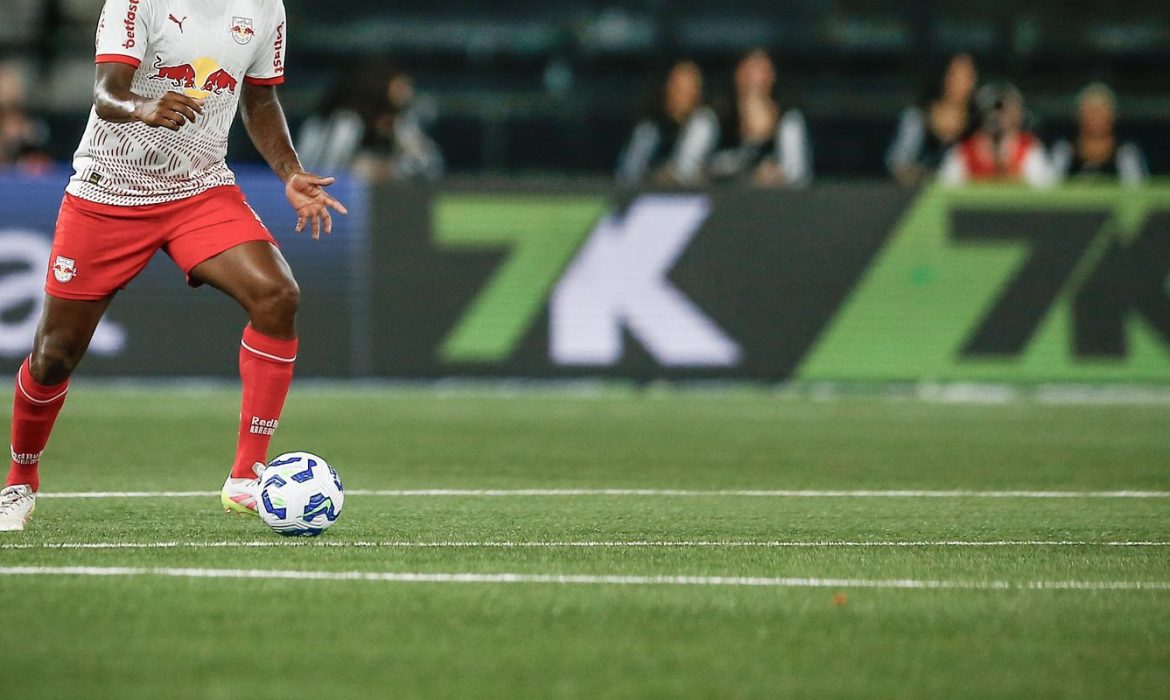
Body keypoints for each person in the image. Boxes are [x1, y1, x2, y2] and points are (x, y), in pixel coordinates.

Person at [0, 0, 347, 531]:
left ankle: (245, 476)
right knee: (54, 356)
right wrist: (143, 106)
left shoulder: (264, 8)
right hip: (108, 190)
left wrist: (290, 171)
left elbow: (260, 99)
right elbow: (106, 92)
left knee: (277, 295)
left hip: (198, 187)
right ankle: (20, 481)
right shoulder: (137, 3)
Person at [709, 49, 812, 187]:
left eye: (762, 72)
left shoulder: (788, 119)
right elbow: (687, 171)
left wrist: (778, 175)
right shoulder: (715, 117)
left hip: (775, 198)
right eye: (749, 72)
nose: (755, 79)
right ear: (738, 75)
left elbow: (798, 175)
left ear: (772, 77)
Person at [616, 60, 718, 186]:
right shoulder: (649, 127)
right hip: (645, 192)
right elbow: (629, 171)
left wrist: (663, 175)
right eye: (677, 87)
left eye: (688, 88)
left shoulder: (703, 122)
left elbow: (685, 171)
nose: (681, 94)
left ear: (697, 92)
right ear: (667, 88)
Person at [939, 82, 1055, 187]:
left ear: (1017, 113)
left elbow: (1044, 192)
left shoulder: (1029, 149)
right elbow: (946, 191)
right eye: (993, 108)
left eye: (1003, 108)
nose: (997, 116)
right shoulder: (962, 153)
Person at [886, 53, 978, 186]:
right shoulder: (918, 116)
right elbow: (898, 163)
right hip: (919, 192)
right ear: (943, 77)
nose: (961, 83)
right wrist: (929, 177)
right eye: (955, 76)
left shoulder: (979, 120)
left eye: (967, 76)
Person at [1051, 83, 1148, 186]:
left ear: (1112, 116)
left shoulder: (1126, 152)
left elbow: (1137, 189)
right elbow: (1050, 187)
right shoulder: (1064, 150)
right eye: (1090, 112)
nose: (1095, 118)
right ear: (1079, 115)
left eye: (1101, 112)